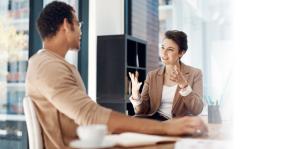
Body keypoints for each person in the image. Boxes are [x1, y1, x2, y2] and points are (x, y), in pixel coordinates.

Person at [25, 1, 207, 149]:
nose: (81, 30)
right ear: (66, 25)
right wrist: (163, 128)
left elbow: (85, 118)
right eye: (78, 24)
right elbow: (90, 115)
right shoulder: (47, 66)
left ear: (181, 52)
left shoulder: (57, 65)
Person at [129, 30, 203, 121]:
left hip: (178, 124)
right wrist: (136, 95)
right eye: (163, 47)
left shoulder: (195, 74)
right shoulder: (152, 76)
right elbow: (142, 111)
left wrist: (184, 86)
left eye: (170, 50)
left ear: (181, 53)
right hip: (155, 121)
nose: (163, 53)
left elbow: (197, 110)